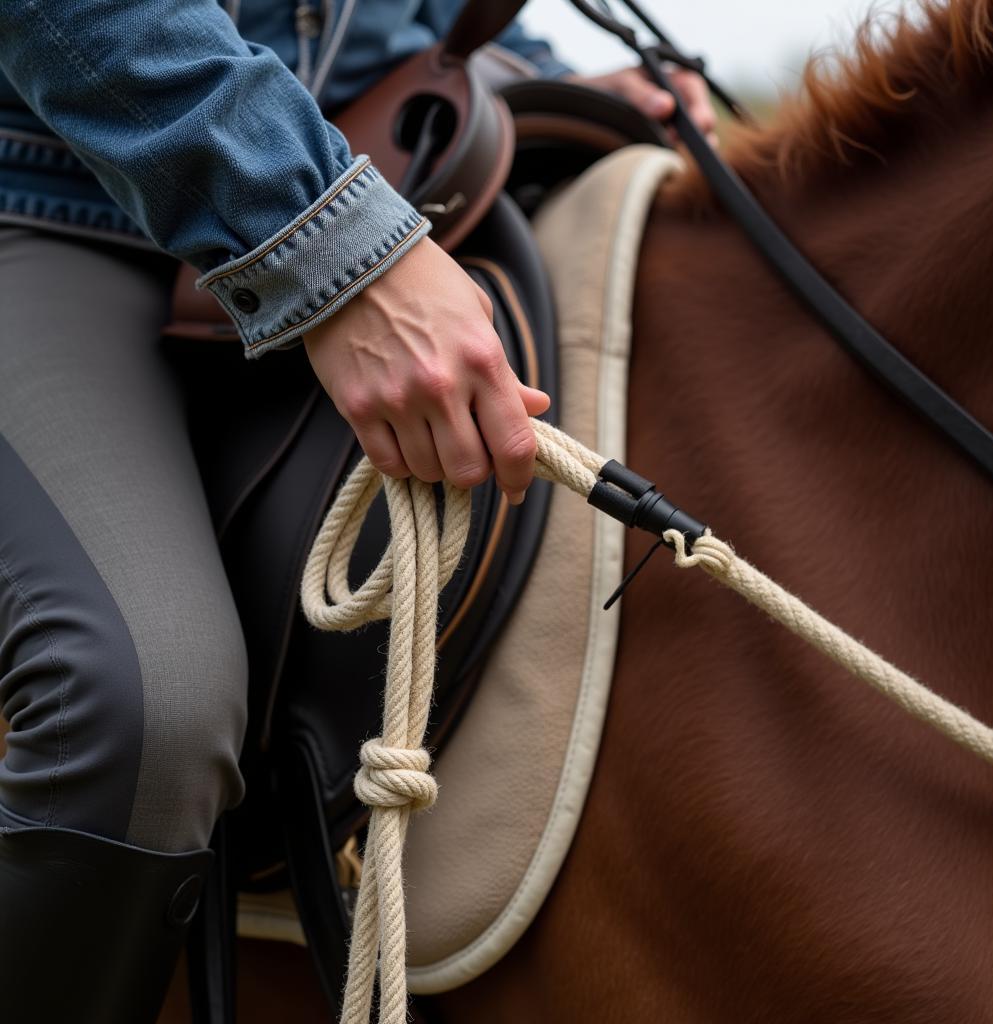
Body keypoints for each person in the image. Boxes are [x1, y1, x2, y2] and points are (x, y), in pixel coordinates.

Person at [0, 2, 714, 1020]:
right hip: (45, 191)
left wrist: (527, 70)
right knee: (142, 702)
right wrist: (323, 247)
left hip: (348, 151)